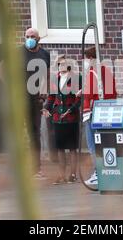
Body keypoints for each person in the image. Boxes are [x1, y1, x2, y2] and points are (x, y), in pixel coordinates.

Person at [0, 28, 50, 178]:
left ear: (39, 38)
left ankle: (36, 169)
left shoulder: (45, 54)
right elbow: (0, 69)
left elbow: (46, 74)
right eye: (27, 36)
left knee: (35, 133)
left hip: (36, 99)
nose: (29, 39)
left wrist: (44, 91)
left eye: (32, 36)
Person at [80, 46, 117, 186]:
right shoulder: (105, 71)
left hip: (92, 113)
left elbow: (91, 94)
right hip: (103, 112)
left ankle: (98, 172)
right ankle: (104, 171)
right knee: (102, 144)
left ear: (90, 58)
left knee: (93, 145)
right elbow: (111, 93)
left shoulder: (93, 72)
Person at [42, 55, 81, 184]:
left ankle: (73, 174)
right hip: (58, 118)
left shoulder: (76, 78)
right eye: (59, 64)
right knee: (60, 147)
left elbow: (79, 98)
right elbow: (52, 97)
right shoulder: (55, 79)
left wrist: (71, 110)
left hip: (71, 118)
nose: (61, 66)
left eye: (63, 64)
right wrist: (47, 108)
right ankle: (61, 175)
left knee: (72, 147)